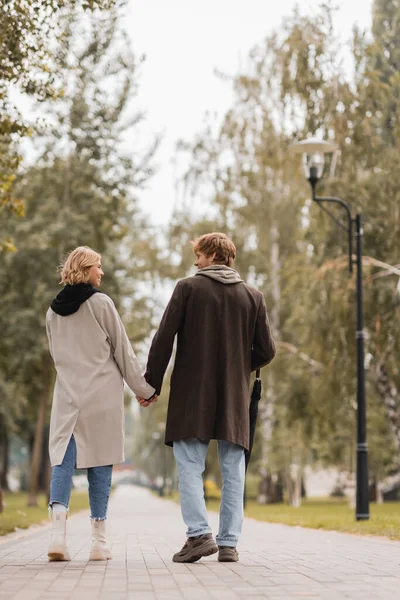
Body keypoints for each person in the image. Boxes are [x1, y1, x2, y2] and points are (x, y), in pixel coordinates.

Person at [138, 232, 275, 563]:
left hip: (191, 393)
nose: (195, 261)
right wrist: (240, 365)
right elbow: (267, 350)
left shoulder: (187, 288)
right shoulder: (253, 296)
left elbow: (164, 338)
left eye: (199, 255)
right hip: (233, 395)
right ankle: (228, 544)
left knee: (188, 464)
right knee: (233, 469)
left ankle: (199, 535)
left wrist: (151, 385)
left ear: (214, 255)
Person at [46, 246, 157, 562]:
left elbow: (56, 356)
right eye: (98, 267)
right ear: (86, 268)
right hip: (102, 397)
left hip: (67, 396)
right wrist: (144, 390)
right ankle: (98, 543)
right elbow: (123, 352)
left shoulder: (52, 312)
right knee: (101, 462)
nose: (102, 272)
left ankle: (57, 536)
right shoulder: (101, 303)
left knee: (62, 461)